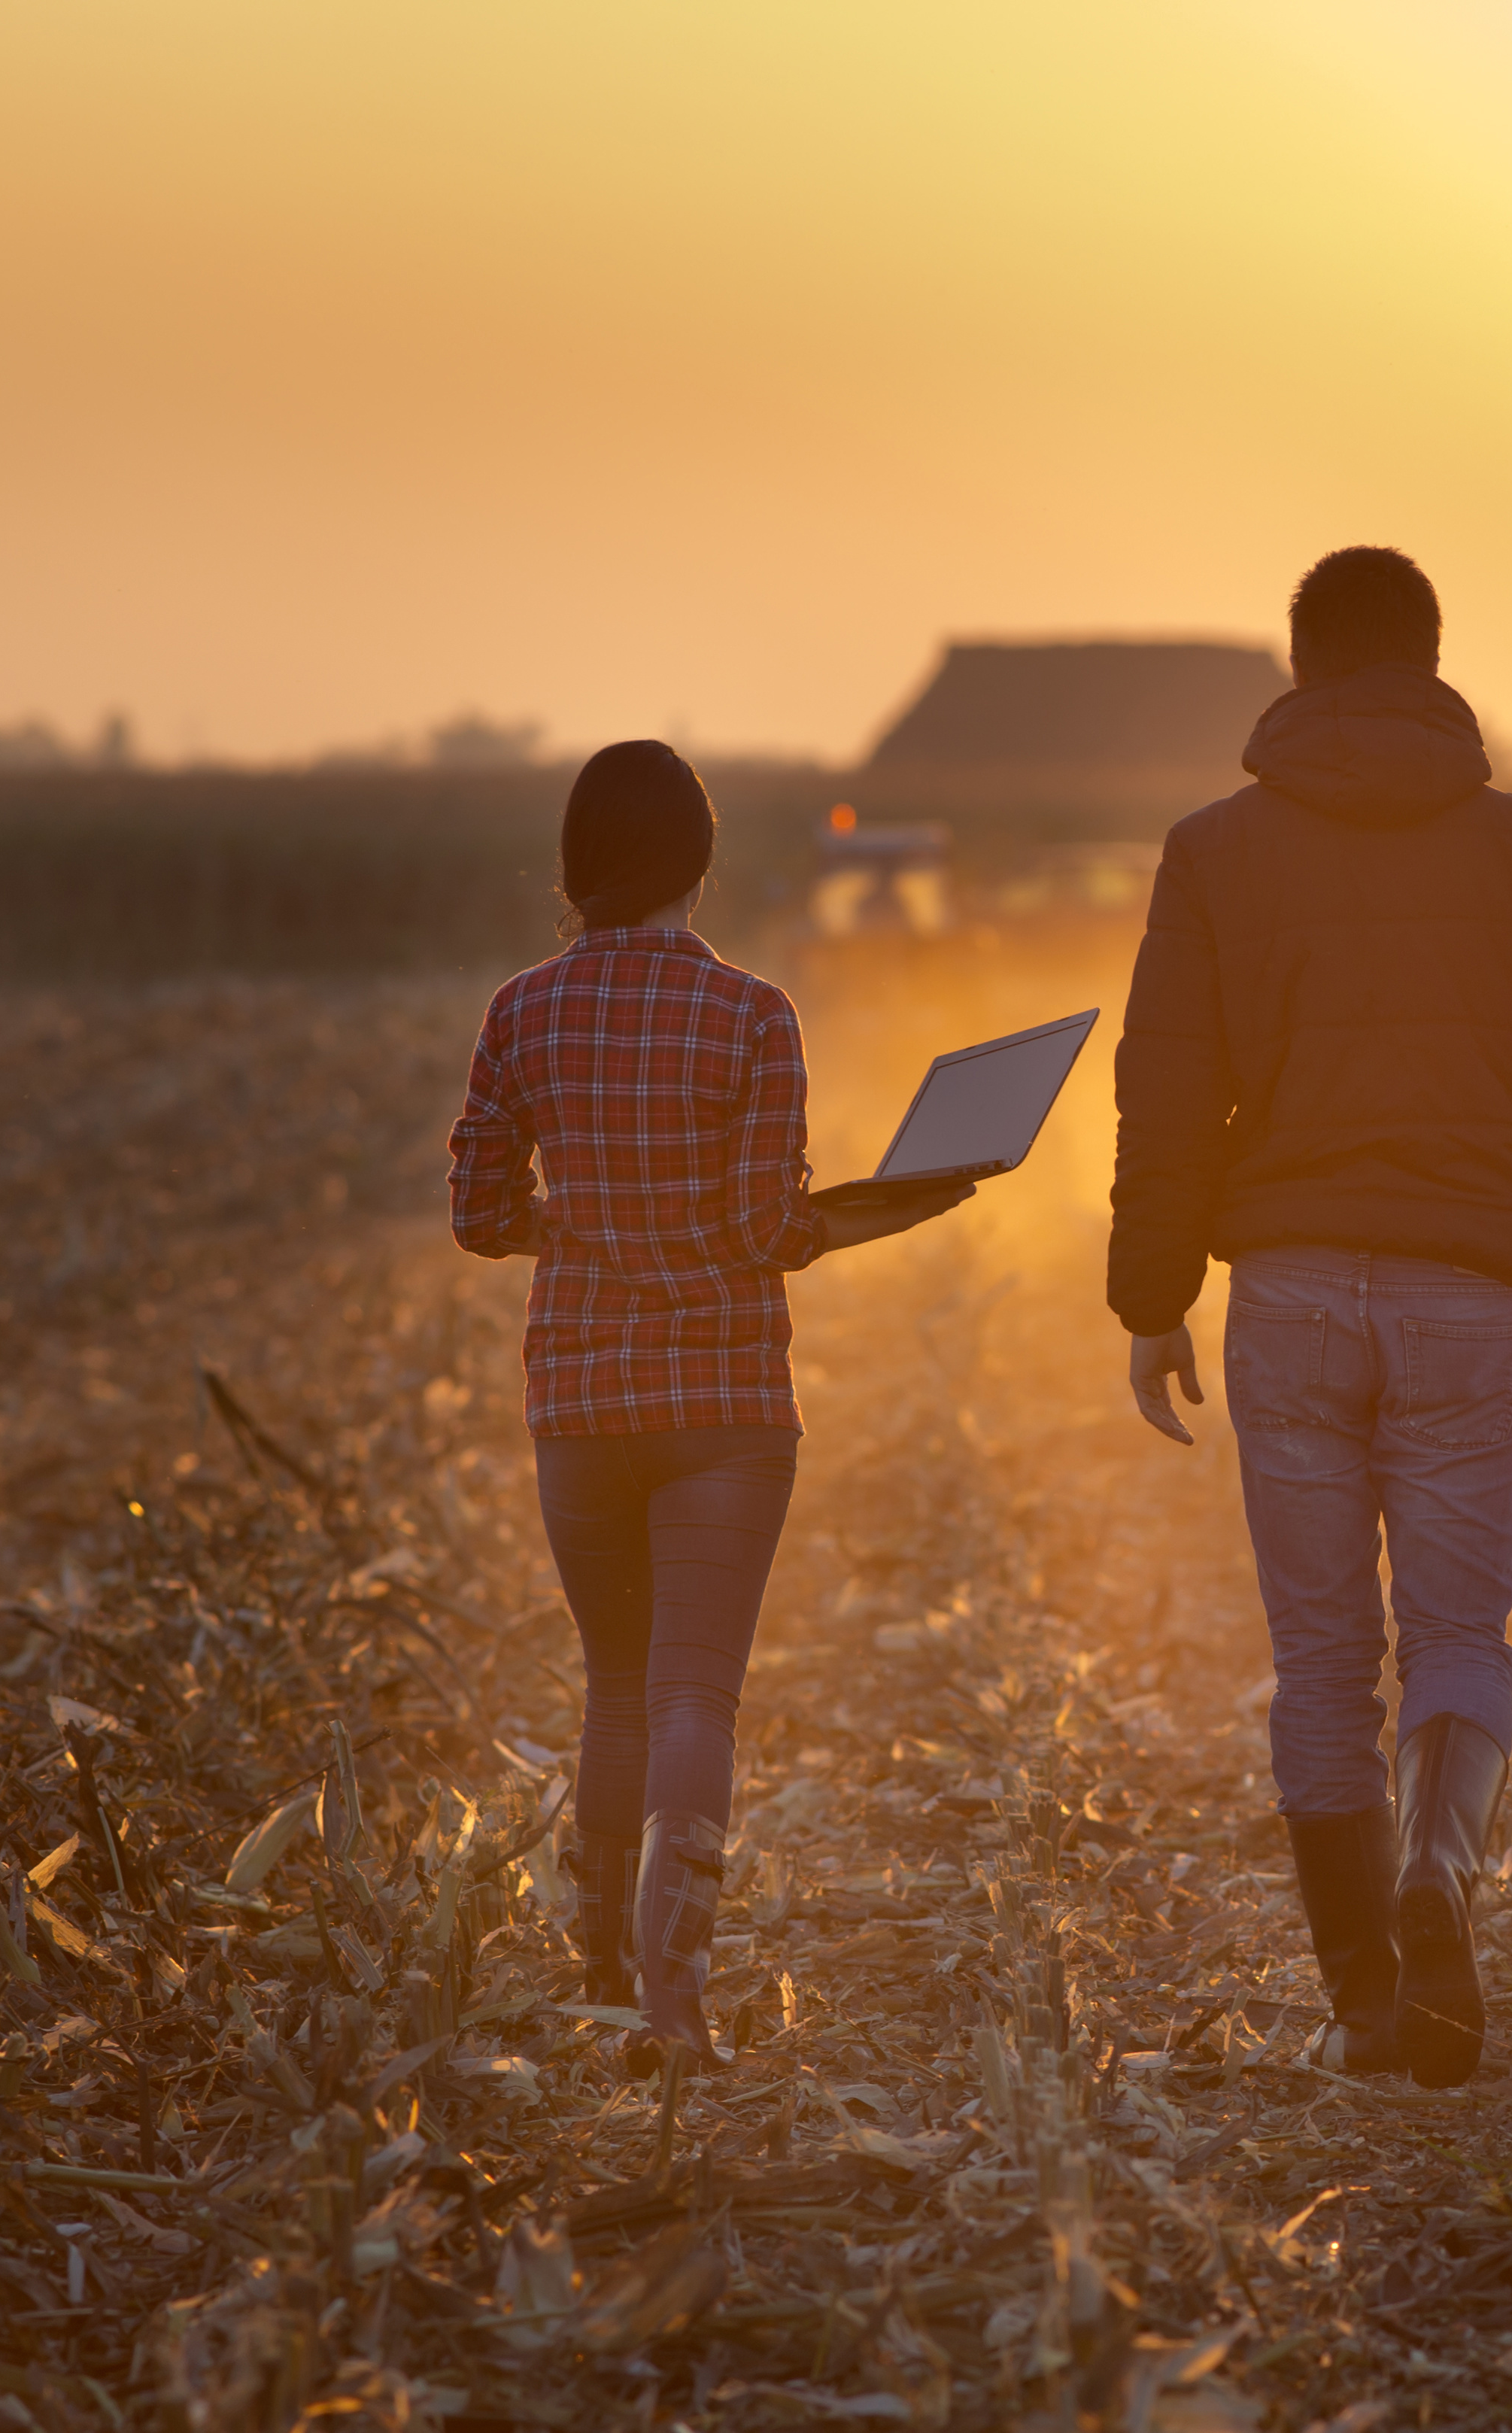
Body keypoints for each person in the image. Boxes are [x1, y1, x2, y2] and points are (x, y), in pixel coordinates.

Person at [1108, 547, 1512, 2088]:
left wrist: (1153, 1297)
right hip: (1470, 1300)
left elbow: (1165, 1089)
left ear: (1297, 674)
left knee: (1320, 1663)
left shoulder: (1212, 851)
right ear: (1429, 663)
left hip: (1284, 1299)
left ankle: (1366, 1997)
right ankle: (1442, 1878)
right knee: (1458, 1638)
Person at [447, 741, 969, 2063]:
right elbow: (757, 1226)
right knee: (697, 1698)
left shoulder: (520, 1010)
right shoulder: (753, 1014)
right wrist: (882, 1208)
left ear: (574, 867)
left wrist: (586, 1226)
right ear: (700, 863)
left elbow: (479, 1213)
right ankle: (677, 2007)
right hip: (725, 1402)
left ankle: (603, 1972)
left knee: (613, 1686)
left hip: (577, 1397)